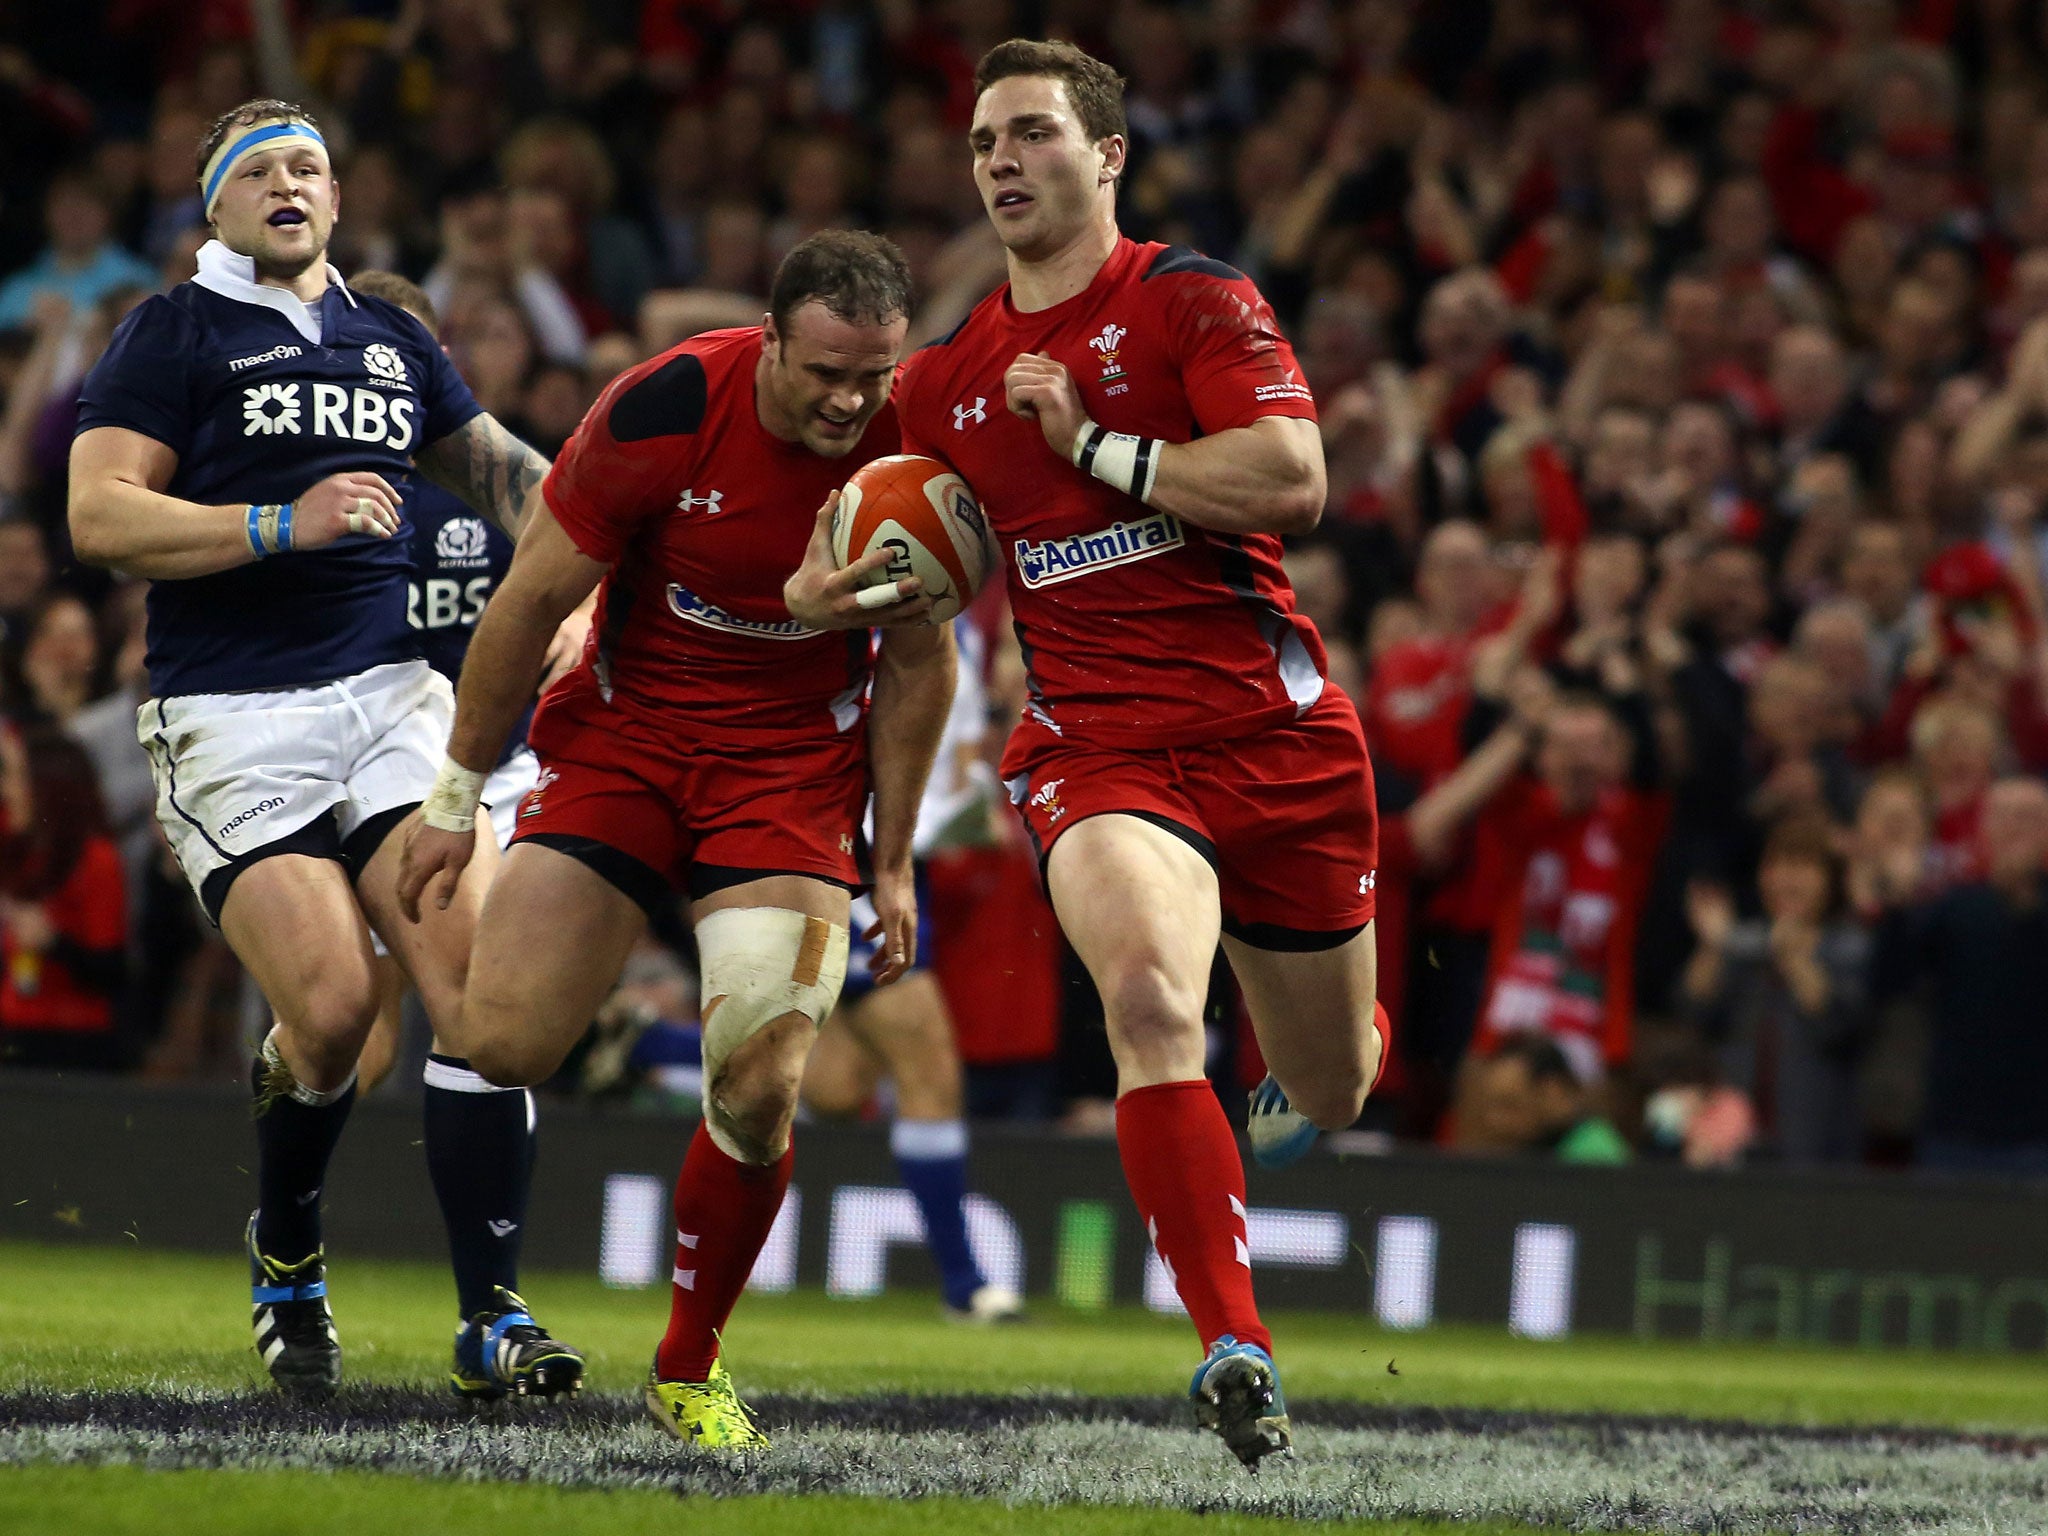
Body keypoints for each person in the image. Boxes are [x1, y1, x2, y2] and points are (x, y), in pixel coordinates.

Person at [792, 39, 1386, 1469]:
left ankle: (1321, 1060)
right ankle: (1234, 1344)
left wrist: (1101, 447)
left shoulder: (1192, 299)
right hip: (1098, 748)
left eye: (1033, 133)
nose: (1000, 159)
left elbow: (1293, 479)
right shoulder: (943, 381)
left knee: (1330, 1093)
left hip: (1278, 738)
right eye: (985, 138)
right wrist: (824, 591)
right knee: (1147, 1002)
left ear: (1107, 156)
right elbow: (863, 545)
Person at [396, 230, 954, 1450]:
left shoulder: (915, 442)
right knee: (499, 1043)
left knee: (760, 1089)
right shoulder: (664, 405)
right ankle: (413, 896)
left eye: (873, 376)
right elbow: (531, 598)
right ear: (770, 341)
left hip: (788, 779)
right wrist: (451, 798)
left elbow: (922, 662)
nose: (850, 401)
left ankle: (687, 1365)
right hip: (624, 742)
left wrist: (894, 855)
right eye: (825, 374)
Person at [66, 100, 582, 1401]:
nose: (290, 183)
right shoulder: (172, 331)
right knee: (340, 1013)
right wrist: (276, 525)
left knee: (481, 1003)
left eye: (310, 165)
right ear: (217, 210)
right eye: (261, 171)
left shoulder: (391, 333)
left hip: (393, 705)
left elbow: (502, 468)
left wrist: (602, 554)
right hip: (235, 716)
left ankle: (493, 1314)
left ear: (338, 202)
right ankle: (287, 1247)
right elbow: (98, 516)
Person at [339, 270, 590, 1097]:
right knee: (349, 1029)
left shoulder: (495, 480)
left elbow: (599, 539)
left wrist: (580, 614)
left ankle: (479, 1218)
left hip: (501, 773)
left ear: (436, 360)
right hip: (361, 776)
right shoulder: (302, 490)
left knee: (480, 1011)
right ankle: (295, 1200)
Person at [801, 617, 1024, 1323]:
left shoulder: (963, 615)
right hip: (851, 848)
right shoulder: (862, 587)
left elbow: (944, 742)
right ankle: (965, 1285)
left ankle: (649, 1045)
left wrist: (971, 803)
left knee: (835, 1086)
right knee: (929, 1062)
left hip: (902, 855)